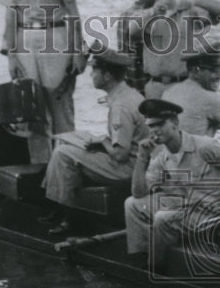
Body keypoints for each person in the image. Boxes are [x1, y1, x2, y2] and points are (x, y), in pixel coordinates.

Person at [0, 0, 86, 163]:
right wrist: (11, 56)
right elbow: (11, 15)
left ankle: (67, 169)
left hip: (55, 39)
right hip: (25, 42)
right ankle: (41, 174)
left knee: (61, 112)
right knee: (32, 114)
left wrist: (78, 51)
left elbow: (72, 12)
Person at [42, 47, 147, 235]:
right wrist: (102, 143)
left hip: (129, 168)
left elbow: (120, 155)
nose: (91, 74)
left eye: (95, 70)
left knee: (63, 154)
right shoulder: (129, 95)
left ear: (107, 76)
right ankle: (65, 208)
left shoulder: (121, 106)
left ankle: (68, 216)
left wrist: (104, 141)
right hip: (139, 161)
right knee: (68, 145)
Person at [124, 99, 220, 269]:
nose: (154, 130)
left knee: (162, 218)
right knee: (132, 204)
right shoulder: (162, 157)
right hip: (186, 207)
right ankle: (141, 257)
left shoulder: (205, 146)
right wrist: (142, 157)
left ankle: (157, 268)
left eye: (160, 124)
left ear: (175, 123)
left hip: (212, 212)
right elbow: (139, 193)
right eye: (151, 125)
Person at [126, 0, 220, 99]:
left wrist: (194, 1)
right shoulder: (144, 14)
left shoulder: (189, 12)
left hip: (182, 84)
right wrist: (153, 12)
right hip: (154, 85)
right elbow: (132, 32)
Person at [162, 45, 220, 138]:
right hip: (194, 151)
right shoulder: (210, 99)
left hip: (169, 151)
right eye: (214, 71)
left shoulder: (169, 92)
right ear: (196, 71)